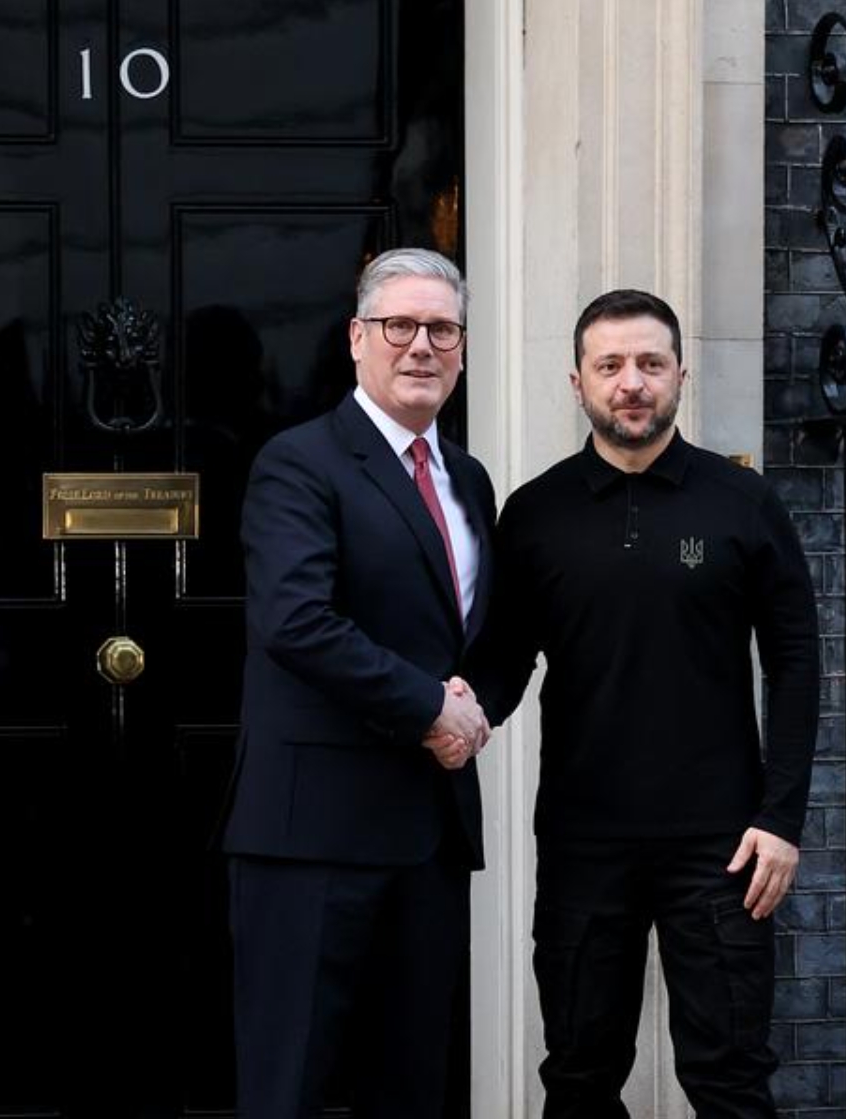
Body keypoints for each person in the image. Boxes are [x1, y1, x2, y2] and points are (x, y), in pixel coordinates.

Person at [463, 289, 820, 1117]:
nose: (631, 382)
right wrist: (446, 714)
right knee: (580, 1074)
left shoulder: (742, 504)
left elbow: (796, 662)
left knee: (729, 1076)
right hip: (584, 841)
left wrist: (781, 818)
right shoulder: (535, 513)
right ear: (577, 380)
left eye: (649, 364)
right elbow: (504, 659)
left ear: (679, 376)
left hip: (723, 846)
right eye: (610, 365)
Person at [220, 247, 495, 1119]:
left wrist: (472, 713)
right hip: (314, 837)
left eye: (441, 329)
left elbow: (469, 639)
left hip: (426, 835)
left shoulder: (469, 480)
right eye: (399, 326)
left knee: (411, 1090)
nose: (420, 345)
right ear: (355, 339)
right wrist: (429, 709)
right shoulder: (299, 462)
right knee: (290, 1087)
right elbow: (295, 621)